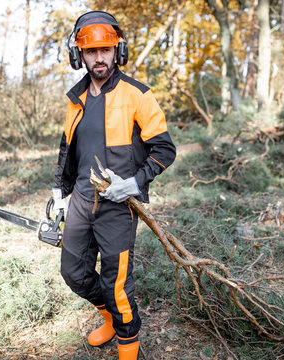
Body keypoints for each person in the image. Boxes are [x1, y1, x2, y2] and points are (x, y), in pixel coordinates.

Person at [52, 10, 176, 360]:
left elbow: (165, 149)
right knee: (73, 272)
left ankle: (128, 345)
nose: (99, 57)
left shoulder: (137, 94)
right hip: (81, 199)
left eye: (105, 49)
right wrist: (60, 195)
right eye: (91, 52)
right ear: (79, 55)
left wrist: (135, 183)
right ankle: (107, 316)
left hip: (118, 205)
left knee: (117, 283)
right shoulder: (75, 98)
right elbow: (68, 150)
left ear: (117, 50)